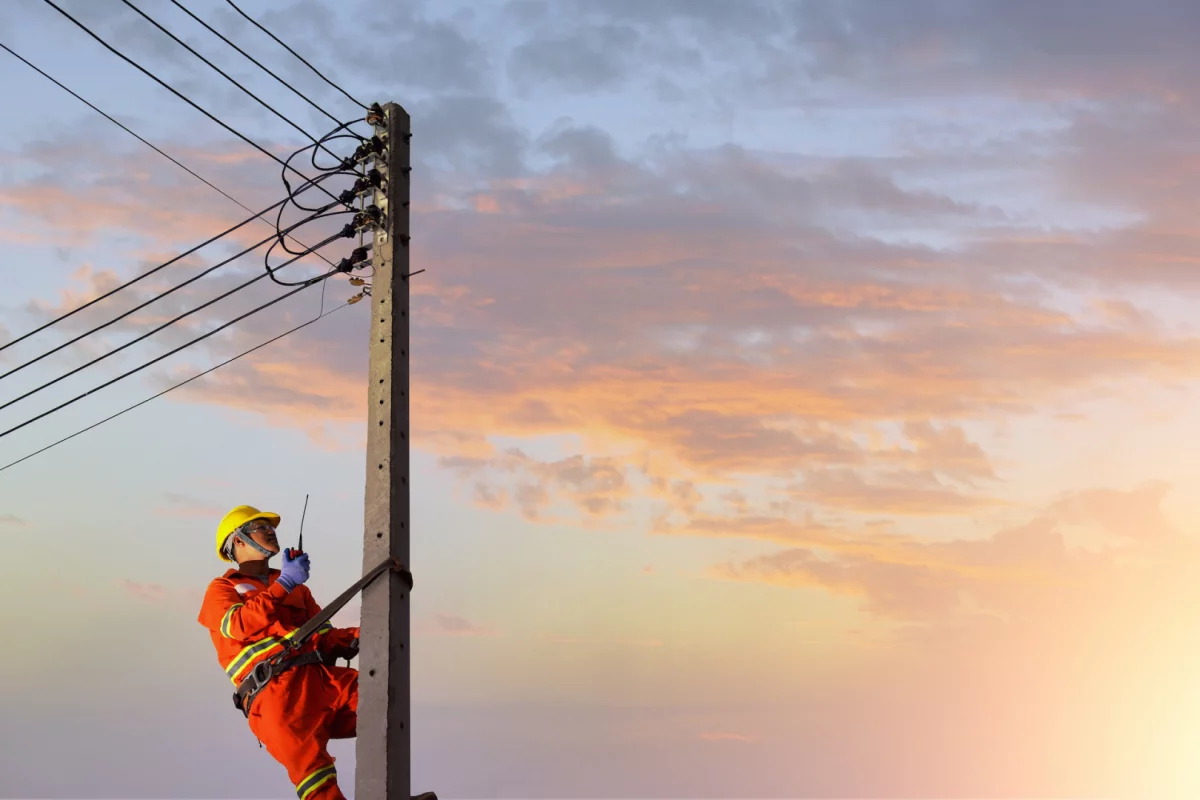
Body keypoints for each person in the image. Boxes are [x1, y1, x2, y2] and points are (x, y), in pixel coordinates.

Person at [198, 505, 360, 800]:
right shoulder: (221, 589)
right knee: (317, 779)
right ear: (238, 540)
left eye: (271, 527)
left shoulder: (296, 589)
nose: (271, 531)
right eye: (261, 526)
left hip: (320, 680)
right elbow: (238, 625)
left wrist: (371, 631)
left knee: (383, 698)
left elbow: (324, 637)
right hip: (275, 697)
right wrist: (284, 583)